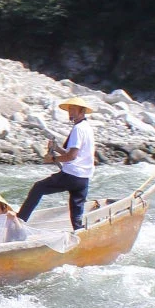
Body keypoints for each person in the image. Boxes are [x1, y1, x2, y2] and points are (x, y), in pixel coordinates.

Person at [19, 96, 98, 230]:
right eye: (69, 110)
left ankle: (19, 220)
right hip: (83, 178)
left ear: (82, 111)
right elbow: (75, 154)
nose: (71, 113)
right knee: (76, 211)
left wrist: (53, 159)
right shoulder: (87, 128)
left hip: (72, 175)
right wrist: (56, 149)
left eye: (74, 110)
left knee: (38, 188)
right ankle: (80, 232)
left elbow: (72, 156)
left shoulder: (78, 129)